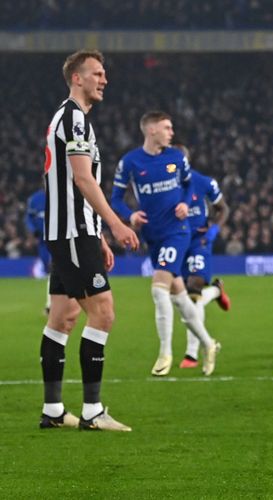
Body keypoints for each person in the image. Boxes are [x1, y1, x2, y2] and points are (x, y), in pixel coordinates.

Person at [39, 49, 140, 432]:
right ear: (77, 78)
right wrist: (114, 223)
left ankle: (52, 411)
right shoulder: (74, 119)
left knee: (62, 318)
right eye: (97, 73)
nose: (104, 79)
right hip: (71, 233)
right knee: (104, 312)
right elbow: (83, 179)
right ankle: (93, 412)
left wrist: (96, 231)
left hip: (73, 231)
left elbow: (69, 181)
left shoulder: (68, 119)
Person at [112, 111, 220, 377]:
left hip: (177, 232)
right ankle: (209, 344)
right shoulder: (130, 162)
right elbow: (115, 199)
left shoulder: (176, 158)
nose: (171, 132)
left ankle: (164, 353)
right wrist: (130, 215)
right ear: (151, 130)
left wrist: (184, 203)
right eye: (166, 127)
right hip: (152, 235)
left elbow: (186, 186)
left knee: (159, 290)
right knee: (179, 296)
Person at [172, 144, 231, 370]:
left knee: (194, 290)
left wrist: (214, 231)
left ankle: (192, 354)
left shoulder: (203, 182)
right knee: (180, 298)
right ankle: (216, 290)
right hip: (175, 241)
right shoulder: (163, 186)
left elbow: (223, 208)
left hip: (198, 242)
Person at [26, 186, 52, 311]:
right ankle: (52, 304)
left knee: (54, 269)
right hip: (43, 241)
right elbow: (29, 217)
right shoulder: (34, 199)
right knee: (49, 270)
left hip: (58, 240)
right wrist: (33, 231)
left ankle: (50, 305)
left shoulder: (62, 195)